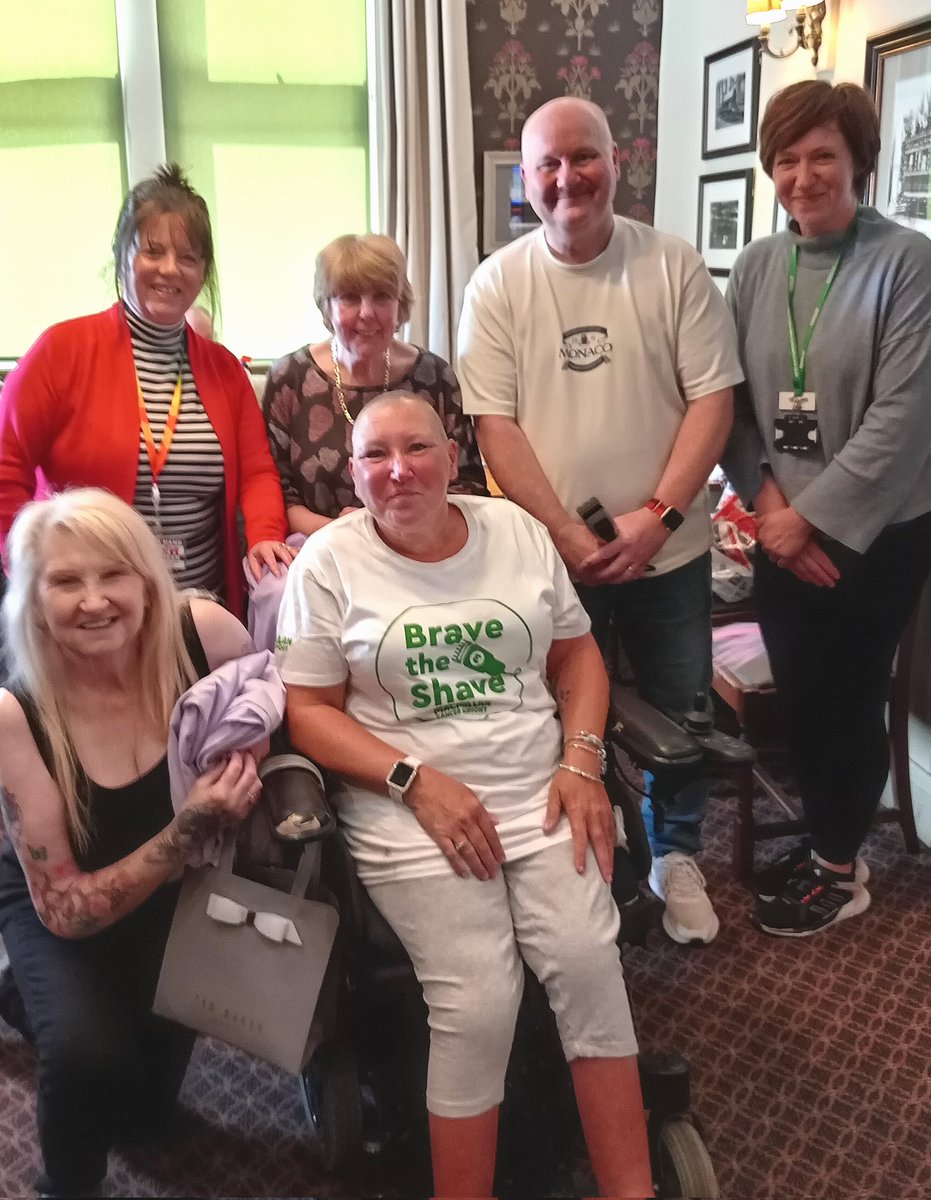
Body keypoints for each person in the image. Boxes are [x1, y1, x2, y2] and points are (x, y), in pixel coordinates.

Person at [277, 393, 653, 1199]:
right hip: (405, 804)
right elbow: (307, 713)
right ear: (353, 474)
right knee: (479, 998)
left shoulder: (514, 531)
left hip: (539, 787)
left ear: (454, 456)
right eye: (375, 456)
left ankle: (632, 1190)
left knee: (588, 963)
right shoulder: (329, 563)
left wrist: (582, 760)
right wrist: (415, 782)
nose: (398, 470)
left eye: (416, 448)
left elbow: (577, 657)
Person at [457, 97, 742, 945]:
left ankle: (675, 855)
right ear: (526, 179)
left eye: (583, 157)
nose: (565, 177)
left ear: (616, 163)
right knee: (552, 715)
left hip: (672, 550)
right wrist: (566, 534)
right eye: (546, 164)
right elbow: (493, 426)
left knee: (681, 710)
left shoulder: (673, 266)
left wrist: (656, 517)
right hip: (548, 560)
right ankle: (598, 847)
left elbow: (712, 400)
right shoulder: (497, 282)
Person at [0, 489, 264, 1197]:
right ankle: (65, 1183)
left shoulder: (204, 632)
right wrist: (189, 829)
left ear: (148, 579)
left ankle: (26, 1000)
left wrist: (247, 754)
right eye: (65, 581)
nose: (93, 602)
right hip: (62, 900)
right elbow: (65, 910)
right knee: (87, 1059)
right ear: (32, 600)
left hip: (178, 891)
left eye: (112, 574)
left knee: (146, 1117)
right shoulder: (13, 714)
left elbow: (268, 699)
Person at [721, 80, 931, 937]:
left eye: (821, 157)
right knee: (801, 700)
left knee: (847, 699)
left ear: (859, 163)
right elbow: (729, 401)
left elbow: (905, 415)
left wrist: (808, 522)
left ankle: (841, 872)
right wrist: (771, 510)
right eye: (784, 159)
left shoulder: (906, 262)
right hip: (779, 524)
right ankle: (826, 842)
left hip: (876, 531)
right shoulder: (756, 265)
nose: (801, 175)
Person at [0, 164, 290, 620]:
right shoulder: (61, 351)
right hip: (93, 613)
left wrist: (266, 534)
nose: (170, 270)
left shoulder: (225, 371)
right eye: (152, 252)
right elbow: (6, 465)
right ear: (122, 256)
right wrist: (25, 568)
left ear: (203, 272)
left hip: (201, 608)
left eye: (189, 257)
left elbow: (257, 471)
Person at [262, 232, 488, 537]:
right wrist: (352, 534)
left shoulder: (434, 377)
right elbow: (276, 493)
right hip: (319, 542)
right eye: (350, 298)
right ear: (327, 307)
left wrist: (386, 532)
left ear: (400, 304)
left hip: (420, 543)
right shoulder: (289, 377)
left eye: (381, 296)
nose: (367, 313)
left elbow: (466, 485)